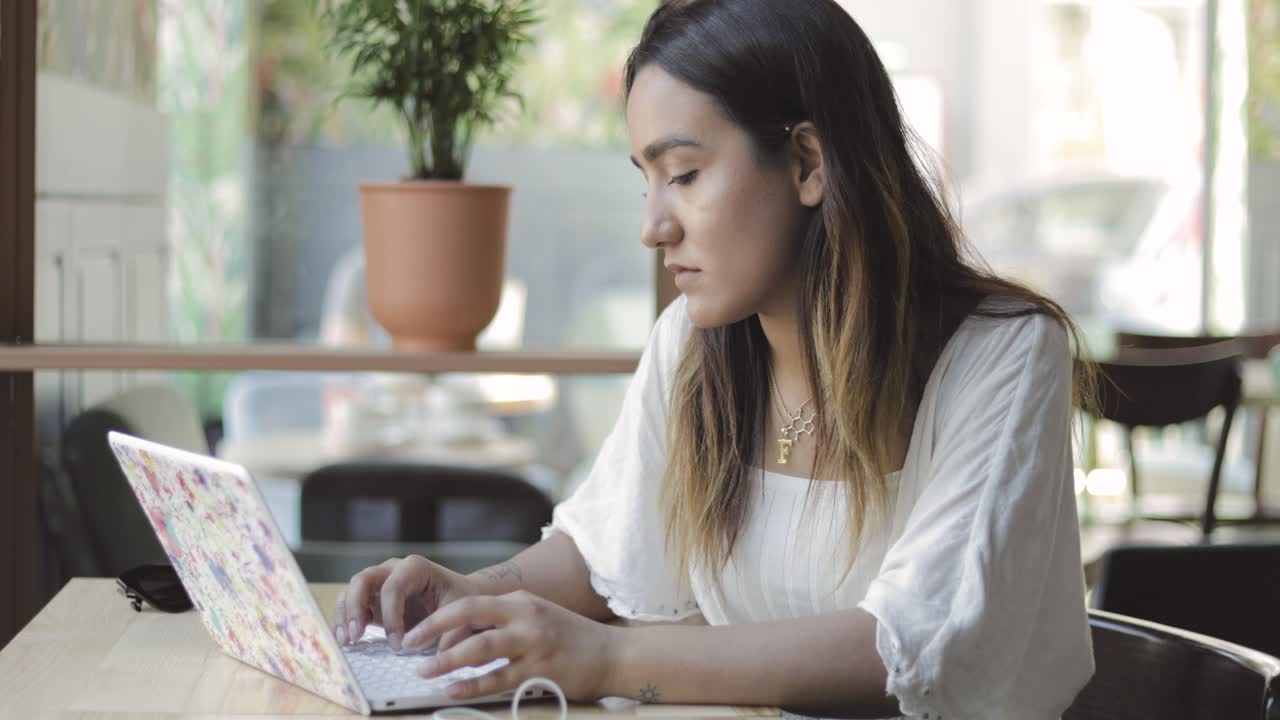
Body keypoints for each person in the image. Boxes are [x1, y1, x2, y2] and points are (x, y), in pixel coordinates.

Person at [332, 1, 1097, 717]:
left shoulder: (1003, 353)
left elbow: (907, 646)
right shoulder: (694, 347)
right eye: (647, 181)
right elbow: (604, 551)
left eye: (684, 175)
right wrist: (469, 595)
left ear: (807, 163)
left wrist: (606, 658)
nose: (653, 227)